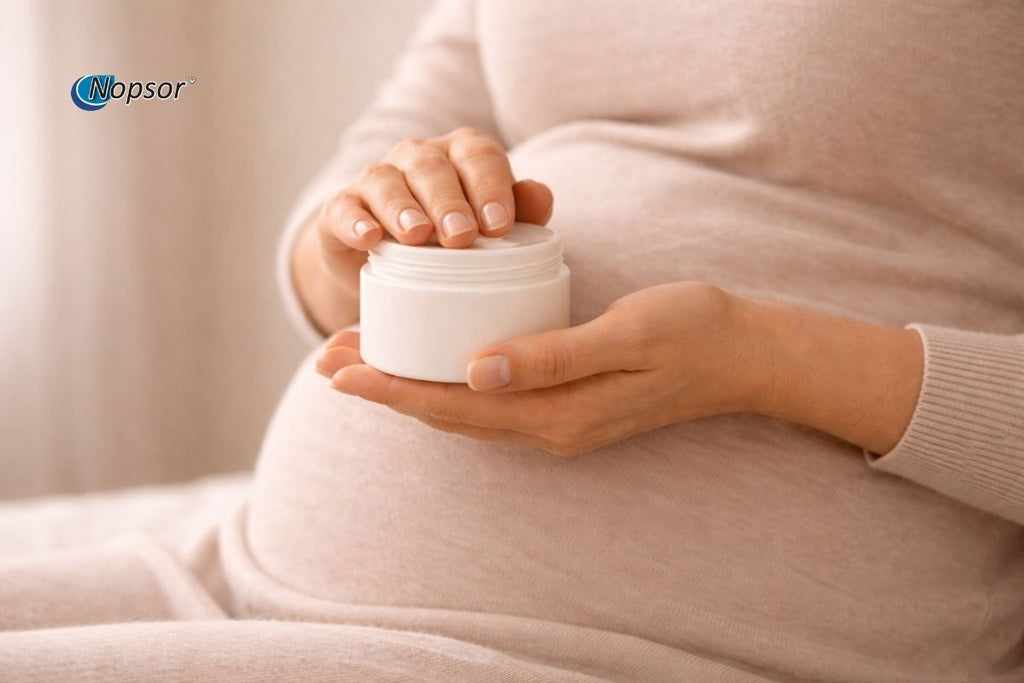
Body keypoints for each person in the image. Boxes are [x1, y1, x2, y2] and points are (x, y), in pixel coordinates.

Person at [2, 1, 1022, 681]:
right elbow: (377, 163)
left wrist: (766, 359)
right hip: (240, 570)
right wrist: (360, 232)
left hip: (632, 648)